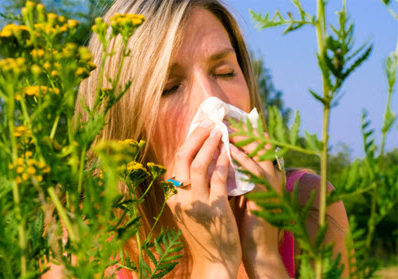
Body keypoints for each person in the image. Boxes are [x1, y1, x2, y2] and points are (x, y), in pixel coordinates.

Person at [75, 0, 350, 278]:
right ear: (125, 122)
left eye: (225, 73)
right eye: (169, 88)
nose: (211, 101)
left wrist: (264, 256)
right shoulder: (82, 248)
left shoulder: (310, 205)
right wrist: (214, 265)